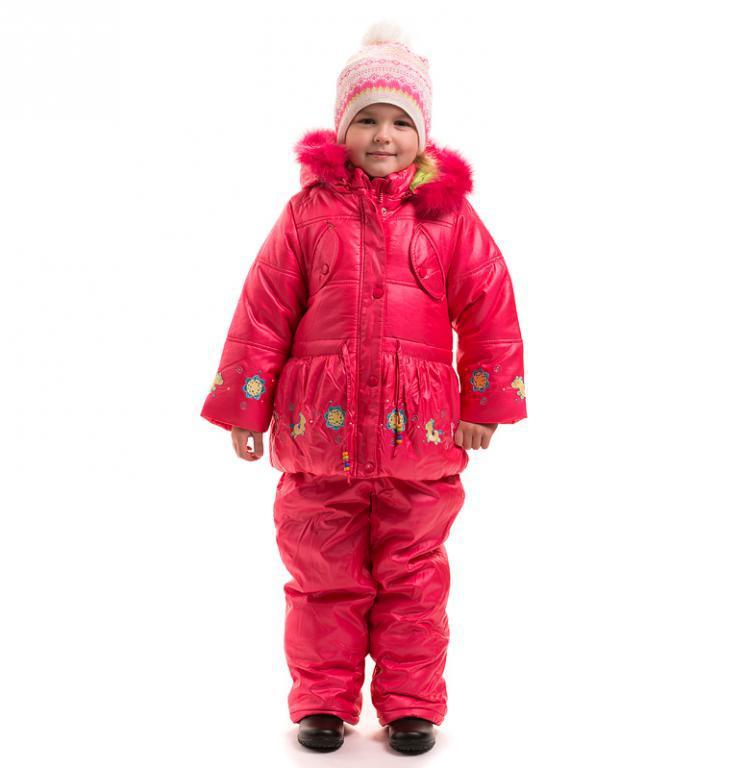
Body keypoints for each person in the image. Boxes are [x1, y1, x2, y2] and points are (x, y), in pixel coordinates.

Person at [200, 21, 527, 755]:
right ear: (341, 127)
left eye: (400, 121)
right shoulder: (306, 214)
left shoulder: (448, 217)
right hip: (321, 437)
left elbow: (489, 308)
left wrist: (485, 403)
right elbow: (264, 311)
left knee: (414, 581)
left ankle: (411, 705)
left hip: (421, 439)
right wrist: (247, 406)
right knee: (322, 576)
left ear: (423, 134)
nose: (383, 136)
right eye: (367, 119)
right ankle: (323, 701)